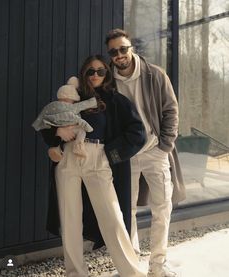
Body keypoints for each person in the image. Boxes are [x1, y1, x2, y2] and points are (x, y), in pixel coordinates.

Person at [40, 55, 148, 277]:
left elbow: (138, 133)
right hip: (68, 159)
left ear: (107, 74)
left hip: (98, 159)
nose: (96, 75)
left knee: (113, 218)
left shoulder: (116, 101)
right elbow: (45, 121)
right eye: (91, 71)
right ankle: (75, 273)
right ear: (83, 74)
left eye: (101, 71)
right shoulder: (71, 97)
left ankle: (133, 273)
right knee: (69, 220)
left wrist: (111, 154)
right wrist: (55, 137)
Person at [105, 29, 186, 277]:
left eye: (123, 48)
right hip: (127, 155)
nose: (120, 55)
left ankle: (157, 266)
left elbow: (171, 109)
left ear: (132, 48)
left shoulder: (155, 74)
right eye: (114, 51)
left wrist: (166, 145)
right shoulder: (108, 81)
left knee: (162, 209)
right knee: (125, 211)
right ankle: (131, 267)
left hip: (155, 152)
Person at [32, 77, 97, 162]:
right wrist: (94, 102)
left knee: (58, 138)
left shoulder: (52, 106)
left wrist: (40, 124)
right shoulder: (73, 107)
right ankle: (78, 146)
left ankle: (55, 148)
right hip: (71, 137)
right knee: (82, 131)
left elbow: (43, 116)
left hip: (56, 127)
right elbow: (85, 105)